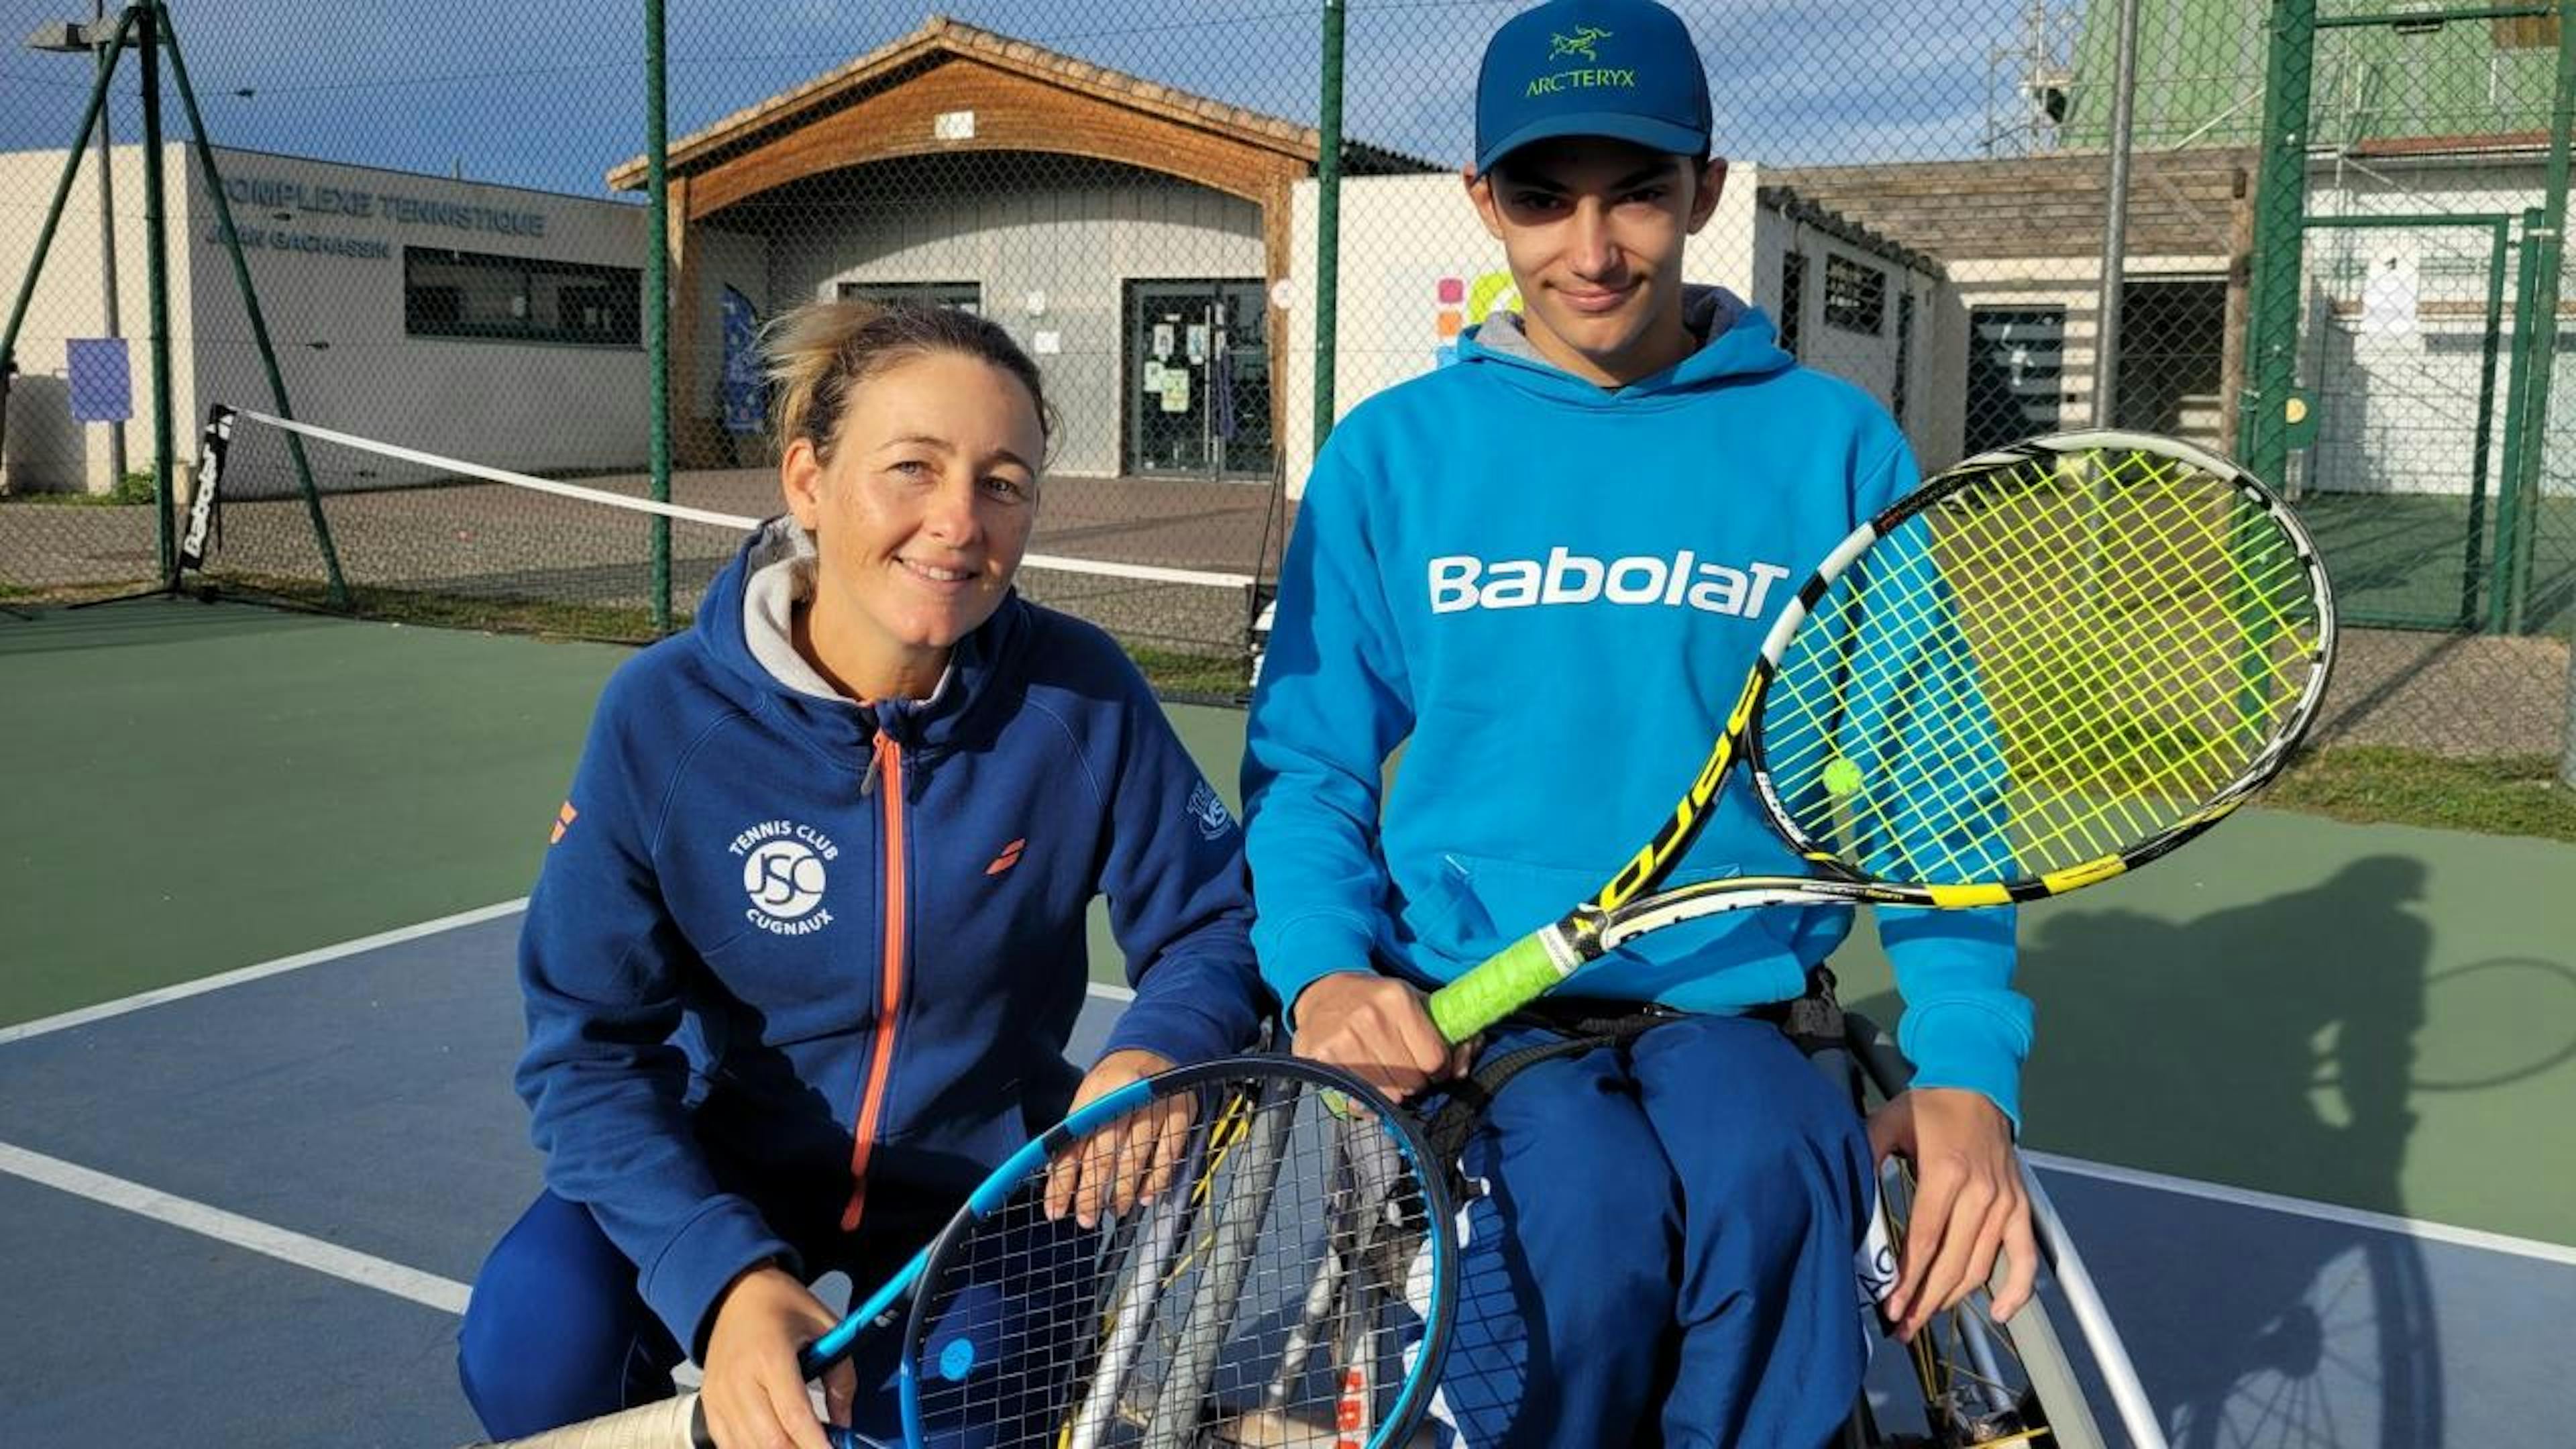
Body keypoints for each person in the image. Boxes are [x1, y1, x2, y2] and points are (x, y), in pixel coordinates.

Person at [1241, 1, 2036, 1443]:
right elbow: (1308, 769)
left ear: (1708, 194)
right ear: (1483, 201)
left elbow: (1935, 784)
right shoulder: (1393, 460)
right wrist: (1320, 972)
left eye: (1639, 193)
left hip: (1740, 1005)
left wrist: (1970, 1069)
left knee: (1775, 1184)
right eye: (1543, 197)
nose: (1592, 248)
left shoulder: (1830, 445)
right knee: (1583, 1248)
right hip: (1485, 1020)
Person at [459, 301, 1268, 1449]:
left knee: (946, 1414)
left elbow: (1214, 921)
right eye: (912, 469)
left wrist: (1160, 1045)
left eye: (1002, 483)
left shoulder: (1076, 697)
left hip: (981, 1192)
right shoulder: (663, 717)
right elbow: (586, 1052)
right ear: (807, 480)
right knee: (532, 1344)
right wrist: (726, 1282)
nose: (957, 522)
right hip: (723, 1160)